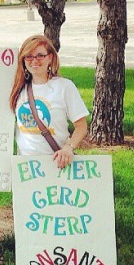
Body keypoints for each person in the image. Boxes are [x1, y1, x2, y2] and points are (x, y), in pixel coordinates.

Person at [9, 35, 89, 169]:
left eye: (40, 55)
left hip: (57, 164)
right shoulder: (17, 88)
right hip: (26, 168)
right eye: (29, 56)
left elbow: (81, 126)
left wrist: (68, 148)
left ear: (50, 58)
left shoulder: (64, 87)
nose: (34, 60)